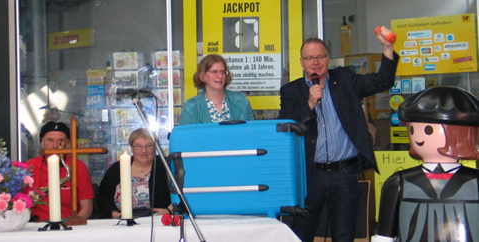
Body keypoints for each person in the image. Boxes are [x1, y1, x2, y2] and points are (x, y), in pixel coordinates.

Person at [279, 26, 399, 242]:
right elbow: (287, 126)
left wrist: (387, 49)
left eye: (320, 56)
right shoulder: (291, 91)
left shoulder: (345, 79)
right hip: (310, 176)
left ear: (328, 58)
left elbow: (382, 82)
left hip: (345, 173)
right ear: (301, 62)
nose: (315, 62)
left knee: (344, 235)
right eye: (309, 58)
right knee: (300, 234)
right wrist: (309, 104)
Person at [372, 87, 479, 242]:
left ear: (459, 133)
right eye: (413, 129)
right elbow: (385, 235)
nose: (417, 136)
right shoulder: (398, 182)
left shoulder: (475, 182)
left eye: (428, 130)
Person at [26, 121, 94, 222]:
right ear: (41, 142)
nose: (55, 146)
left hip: (68, 226)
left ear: (67, 143)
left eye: (60, 141)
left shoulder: (78, 166)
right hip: (34, 227)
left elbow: (86, 207)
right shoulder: (28, 167)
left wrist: (72, 225)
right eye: (50, 140)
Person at [98, 128, 171, 218]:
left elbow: (182, 196)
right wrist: (113, 214)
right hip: (121, 222)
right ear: (132, 148)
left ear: (155, 147)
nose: (144, 150)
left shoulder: (167, 166)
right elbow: (102, 197)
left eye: (149, 146)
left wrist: (168, 211)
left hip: (158, 222)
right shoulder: (117, 169)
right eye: (138, 146)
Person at [179, 54, 255, 124]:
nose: (220, 76)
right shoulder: (191, 107)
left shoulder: (241, 100)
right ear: (202, 76)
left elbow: (252, 133)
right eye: (214, 72)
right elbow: (184, 137)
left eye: (222, 72)